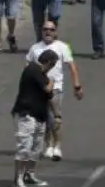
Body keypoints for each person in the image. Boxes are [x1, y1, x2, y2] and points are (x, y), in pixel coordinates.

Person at [25, 21, 83, 161]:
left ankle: (57, 146)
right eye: (45, 29)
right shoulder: (35, 48)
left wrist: (77, 86)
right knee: (44, 118)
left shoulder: (63, 47)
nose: (48, 32)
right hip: (39, 90)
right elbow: (28, 68)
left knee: (56, 118)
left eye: (51, 30)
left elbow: (72, 66)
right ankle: (48, 144)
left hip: (56, 88)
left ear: (55, 32)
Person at [13, 49, 60, 187]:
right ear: (49, 62)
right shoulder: (33, 69)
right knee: (24, 147)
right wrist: (53, 80)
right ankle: (18, 178)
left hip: (40, 115)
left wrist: (57, 114)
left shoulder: (42, 75)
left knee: (36, 148)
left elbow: (49, 97)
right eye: (54, 64)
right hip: (28, 114)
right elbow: (47, 89)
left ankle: (30, 174)